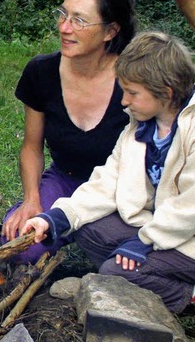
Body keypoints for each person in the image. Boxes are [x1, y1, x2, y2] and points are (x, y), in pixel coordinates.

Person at [23, 31, 195, 313]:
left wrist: (144, 241)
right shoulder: (140, 125)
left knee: (116, 273)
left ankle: (186, 294)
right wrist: (59, 216)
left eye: (132, 93)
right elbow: (108, 179)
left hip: (187, 235)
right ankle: (149, 270)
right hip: (162, 228)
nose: (123, 101)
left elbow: (190, 206)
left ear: (166, 92)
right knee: (86, 226)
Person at [1, 0, 136, 264]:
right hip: (67, 178)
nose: (64, 27)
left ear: (110, 31)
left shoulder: (134, 78)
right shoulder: (42, 72)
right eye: (63, 14)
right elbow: (32, 147)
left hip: (121, 188)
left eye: (79, 20)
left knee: (120, 252)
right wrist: (31, 200)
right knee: (21, 244)